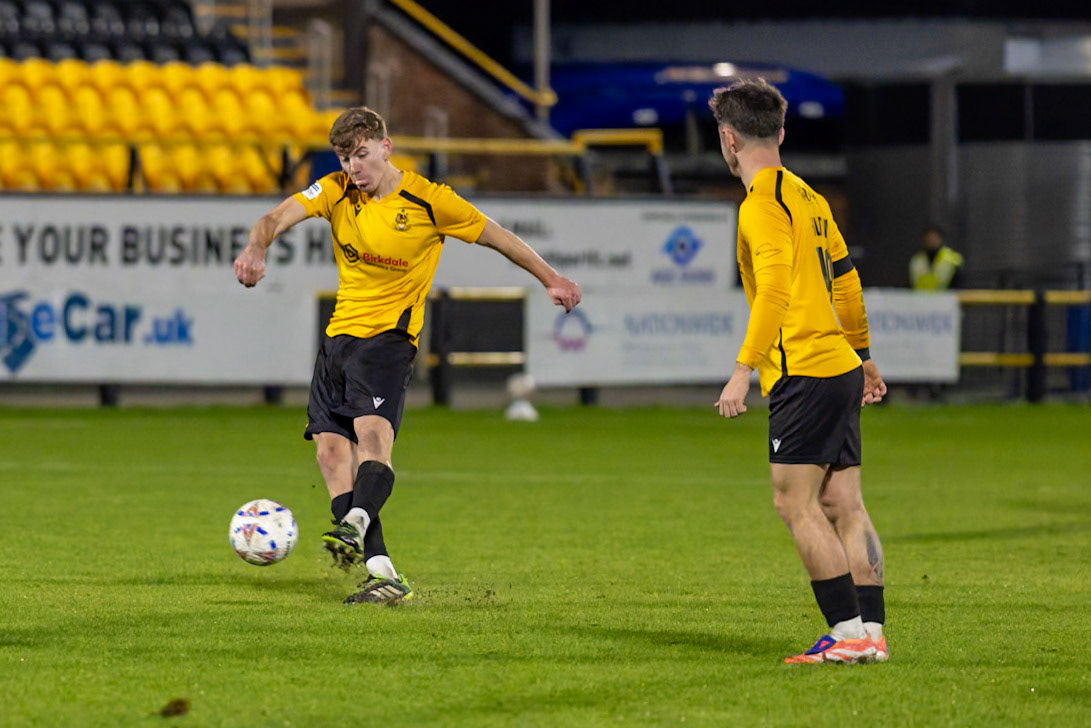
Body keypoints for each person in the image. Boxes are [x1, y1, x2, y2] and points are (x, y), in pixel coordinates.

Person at [233, 107, 581, 604]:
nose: (353, 167)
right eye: (343, 157)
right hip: (338, 342)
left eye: (360, 155)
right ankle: (384, 575)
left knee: (373, 439)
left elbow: (498, 237)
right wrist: (255, 249)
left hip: (388, 343)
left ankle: (354, 523)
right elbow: (273, 219)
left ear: (385, 146)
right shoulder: (334, 191)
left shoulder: (429, 200)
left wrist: (551, 278)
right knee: (331, 455)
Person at [710, 79, 889, 664]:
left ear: (728, 140)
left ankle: (847, 636)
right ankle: (872, 634)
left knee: (795, 504)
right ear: (781, 134)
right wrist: (861, 357)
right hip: (837, 364)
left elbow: (775, 294)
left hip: (805, 372)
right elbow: (847, 281)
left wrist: (743, 370)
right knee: (846, 504)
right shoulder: (811, 199)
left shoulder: (760, 206)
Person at [910, 224, 963, 290]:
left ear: (941, 239)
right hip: (920, 298)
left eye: (934, 237)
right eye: (928, 238)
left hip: (946, 298)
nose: (931, 241)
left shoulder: (952, 258)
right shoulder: (917, 260)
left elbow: (958, 283)